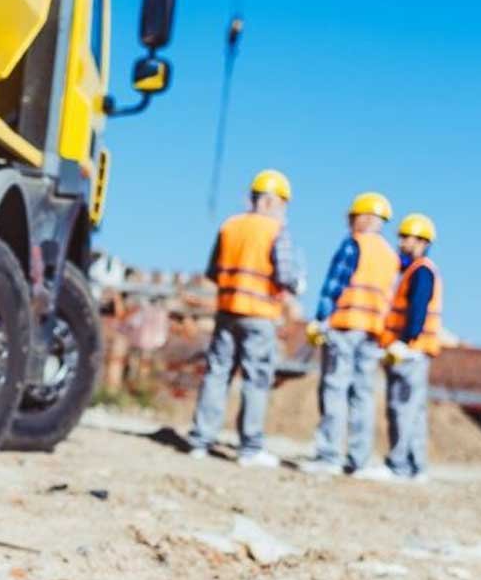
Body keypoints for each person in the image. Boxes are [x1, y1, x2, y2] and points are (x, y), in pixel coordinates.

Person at [187, 169, 304, 467]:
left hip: (227, 310)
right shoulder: (276, 231)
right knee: (256, 379)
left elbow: (213, 272)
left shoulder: (230, 226)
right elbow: (286, 275)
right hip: (260, 315)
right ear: (271, 202)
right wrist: (296, 284)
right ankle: (249, 448)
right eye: (282, 204)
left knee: (217, 373)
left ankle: (201, 440)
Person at [302, 192, 400, 475]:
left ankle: (329, 455)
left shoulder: (354, 245)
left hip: (345, 325)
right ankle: (359, 459)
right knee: (363, 395)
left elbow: (336, 283)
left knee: (335, 388)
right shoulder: (390, 256)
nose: (350, 223)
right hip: (372, 333)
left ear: (365, 217)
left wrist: (321, 318)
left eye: (353, 217)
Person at [358, 213, 443, 482]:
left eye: (409, 238)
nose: (403, 243)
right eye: (402, 237)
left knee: (403, 408)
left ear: (423, 242)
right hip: (414, 351)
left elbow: (417, 310)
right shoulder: (413, 271)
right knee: (413, 412)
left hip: (410, 352)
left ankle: (399, 466)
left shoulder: (421, 271)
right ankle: (415, 467)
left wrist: (404, 342)